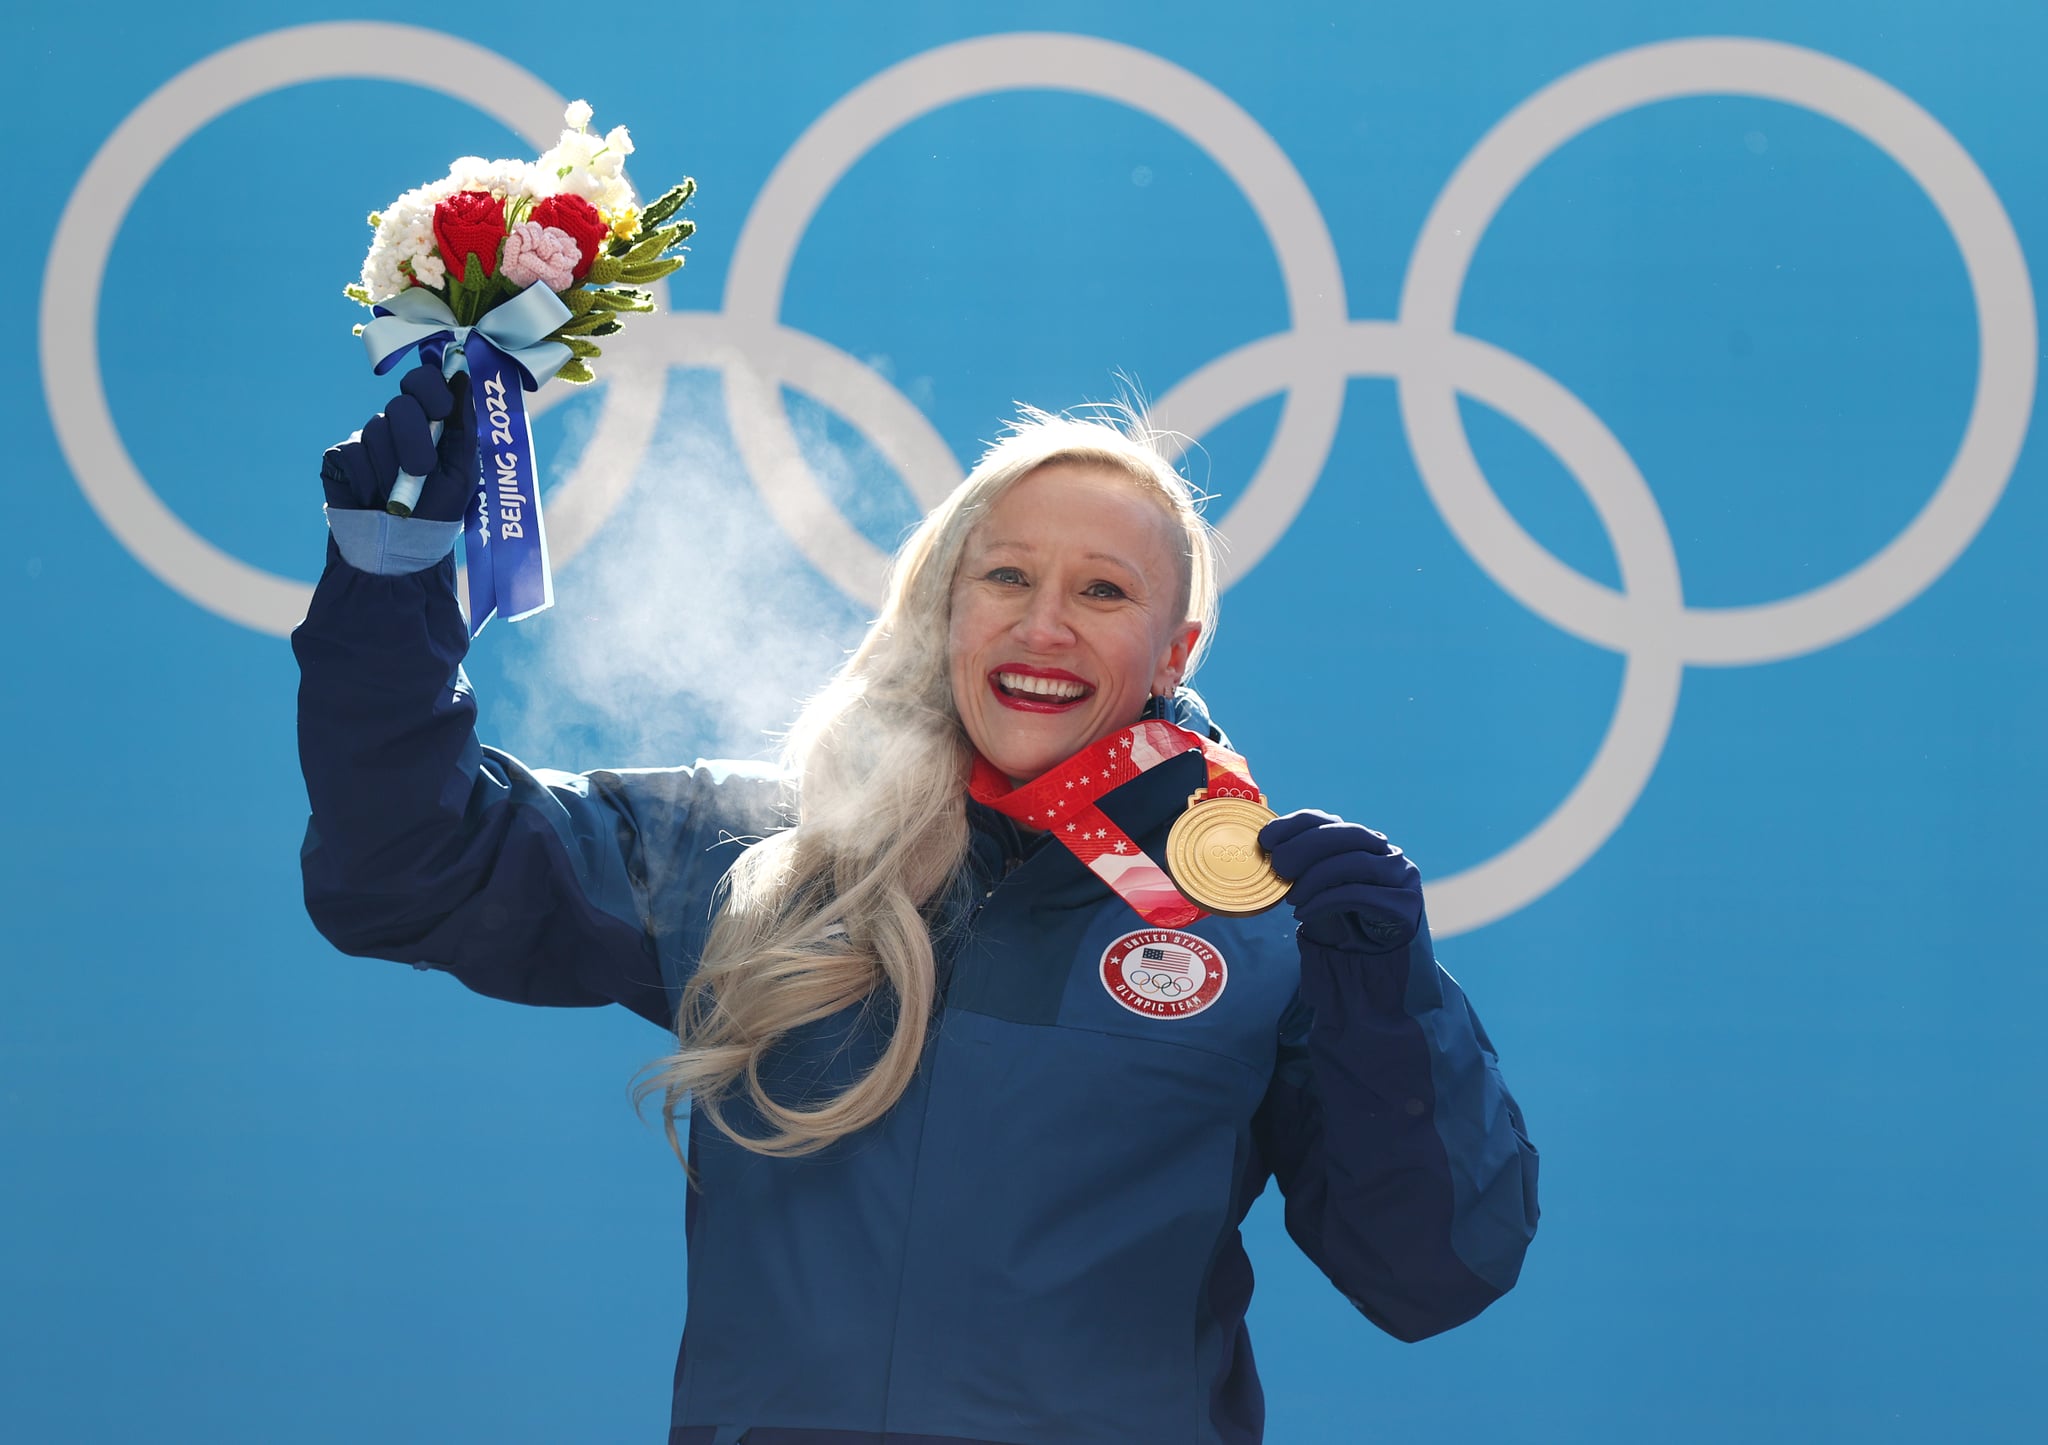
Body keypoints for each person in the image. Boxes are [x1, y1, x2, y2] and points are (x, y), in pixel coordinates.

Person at [296, 365, 1540, 1445]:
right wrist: (390, 587)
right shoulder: (764, 852)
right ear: (948, 605)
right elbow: (411, 866)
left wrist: (1390, 1001)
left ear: (1176, 648)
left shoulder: (1267, 920)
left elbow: (1430, 1271)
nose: (1042, 623)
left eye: (1103, 592)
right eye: (1005, 574)